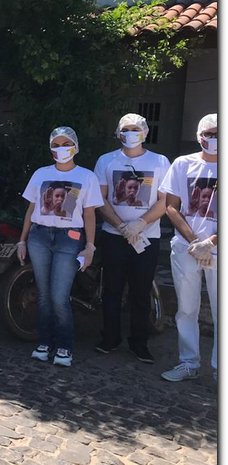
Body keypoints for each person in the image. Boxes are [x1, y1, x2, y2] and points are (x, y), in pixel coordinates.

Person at [17, 127, 104, 367]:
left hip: (69, 238)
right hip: (39, 237)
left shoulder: (87, 176)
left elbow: (89, 214)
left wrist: (89, 246)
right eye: (56, 144)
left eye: (66, 143)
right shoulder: (40, 174)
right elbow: (31, 209)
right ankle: (44, 342)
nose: (61, 148)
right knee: (43, 295)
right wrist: (22, 239)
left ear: (75, 146)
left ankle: (65, 346)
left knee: (59, 296)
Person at [93, 113, 170, 363]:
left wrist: (140, 223)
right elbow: (100, 198)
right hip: (113, 236)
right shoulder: (106, 161)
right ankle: (110, 338)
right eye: (125, 129)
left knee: (140, 292)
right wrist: (121, 225)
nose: (131, 133)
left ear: (145, 133)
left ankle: (139, 342)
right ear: (118, 133)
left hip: (147, 237)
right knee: (111, 290)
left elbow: (164, 201)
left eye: (136, 129)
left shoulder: (160, 162)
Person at [159, 113, 218, 383]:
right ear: (198, 136)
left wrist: (211, 242)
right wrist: (196, 242)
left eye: (219, 133)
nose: (213, 139)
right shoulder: (183, 164)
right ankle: (188, 362)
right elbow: (171, 206)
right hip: (187, 248)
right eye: (209, 134)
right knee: (186, 308)